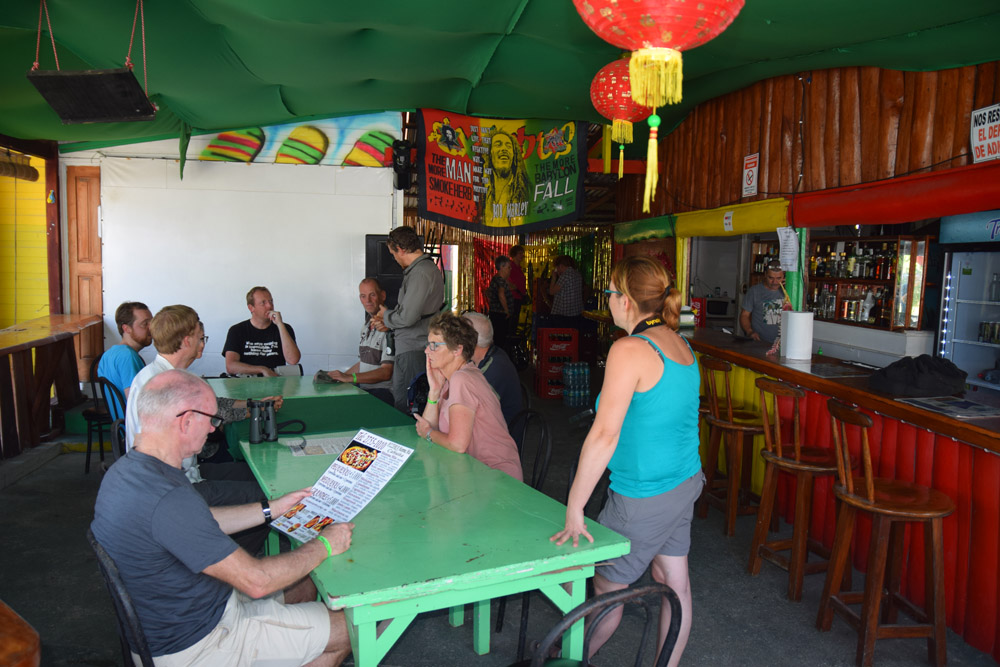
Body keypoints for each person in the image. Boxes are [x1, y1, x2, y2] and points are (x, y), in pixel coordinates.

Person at [92, 370, 353, 666]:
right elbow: (258, 582)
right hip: (200, 644)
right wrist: (325, 544)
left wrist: (272, 508)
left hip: (183, 616)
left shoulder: (131, 471)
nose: (214, 429)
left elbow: (201, 521)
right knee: (355, 626)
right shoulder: (168, 498)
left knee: (304, 583)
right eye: (212, 419)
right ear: (185, 420)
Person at [552, 257, 703, 667]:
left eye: (610, 293)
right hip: (683, 482)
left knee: (606, 589)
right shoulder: (680, 342)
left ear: (627, 300)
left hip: (643, 495)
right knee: (674, 582)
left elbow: (604, 435)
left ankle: (567, 659)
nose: (608, 302)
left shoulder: (629, 348)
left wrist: (575, 506)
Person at [414, 313, 523, 482]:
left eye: (434, 345)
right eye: (428, 344)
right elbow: (431, 427)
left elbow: (456, 444)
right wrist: (434, 391)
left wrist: (428, 433)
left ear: (457, 350)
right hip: (472, 472)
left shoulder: (462, 379)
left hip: (497, 478)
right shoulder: (452, 378)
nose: (427, 351)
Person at [374, 226, 445, 412]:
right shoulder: (422, 269)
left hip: (414, 345)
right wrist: (388, 321)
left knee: (407, 402)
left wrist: (386, 316)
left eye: (393, 254)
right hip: (413, 343)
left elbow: (407, 317)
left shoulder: (421, 273)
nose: (395, 259)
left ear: (401, 250)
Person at [315, 278, 394, 406]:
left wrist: (350, 378)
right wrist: (337, 378)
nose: (367, 301)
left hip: (383, 393)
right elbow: (363, 363)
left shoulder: (390, 328)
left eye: (372, 295)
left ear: (382, 296)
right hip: (364, 390)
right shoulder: (367, 325)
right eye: (363, 296)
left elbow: (386, 373)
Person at [461, 311, 523, 429]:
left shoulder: (493, 369)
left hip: (499, 440)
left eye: (460, 335)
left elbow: (468, 414)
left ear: (471, 341)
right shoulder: (493, 354)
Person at [223, 286, 301, 376]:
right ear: (251, 308)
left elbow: (293, 360)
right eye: (263, 303)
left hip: (275, 384)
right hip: (247, 385)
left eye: (271, 301)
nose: (270, 306)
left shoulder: (284, 328)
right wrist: (263, 370)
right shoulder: (236, 330)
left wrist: (280, 324)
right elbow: (231, 366)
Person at [98, 301, 153, 419]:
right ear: (126, 328)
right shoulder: (127, 356)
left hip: (120, 430)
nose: (151, 328)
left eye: (151, 323)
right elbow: (136, 403)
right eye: (144, 324)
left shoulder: (108, 354)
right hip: (133, 432)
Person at [480, 128, 530, 227]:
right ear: (489, 154)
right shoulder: (484, 192)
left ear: (514, 155)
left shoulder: (525, 191)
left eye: (508, 146)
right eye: (498, 144)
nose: (504, 149)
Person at [740, 260, 786, 344]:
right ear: (765, 275)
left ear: (783, 276)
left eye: (778, 278)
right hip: (759, 343)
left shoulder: (788, 292)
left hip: (782, 344)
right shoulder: (754, 291)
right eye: (771, 278)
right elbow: (744, 315)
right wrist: (749, 332)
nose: (775, 282)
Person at [486, 255, 514, 352]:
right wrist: (507, 311)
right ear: (502, 267)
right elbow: (501, 294)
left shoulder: (496, 279)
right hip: (500, 314)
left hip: (495, 313)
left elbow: (488, 293)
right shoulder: (500, 280)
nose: (510, 270)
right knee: (500, 341)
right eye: (508, 267)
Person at [549, 255, 584, 320]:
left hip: (563, 315)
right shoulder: (578, 274)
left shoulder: (565, 276)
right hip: (576, 313)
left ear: (561, 266)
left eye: (557, 267)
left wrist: (554, 277)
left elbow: (551, 292)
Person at [508, 245, 528, 321]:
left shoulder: (519, 267)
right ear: (514, 254)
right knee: (512, 320)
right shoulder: (510, 266)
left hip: (518, 297)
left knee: (515, 320)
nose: (522, 255)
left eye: (522, 253)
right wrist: (511, 286)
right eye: (520, 253)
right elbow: (503, 277)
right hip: (512, 297)